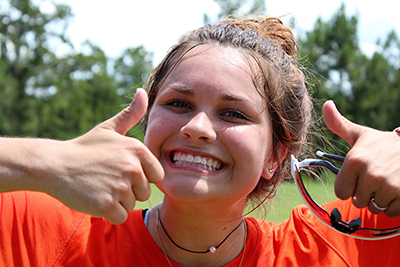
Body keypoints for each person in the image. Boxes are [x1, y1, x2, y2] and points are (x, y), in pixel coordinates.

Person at [1, 16, 400, 267]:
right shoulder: (47, 232)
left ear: (276, 156)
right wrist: (46, 160)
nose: (197, 127)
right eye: (177, 102)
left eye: (233, 113)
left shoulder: (347, 244)